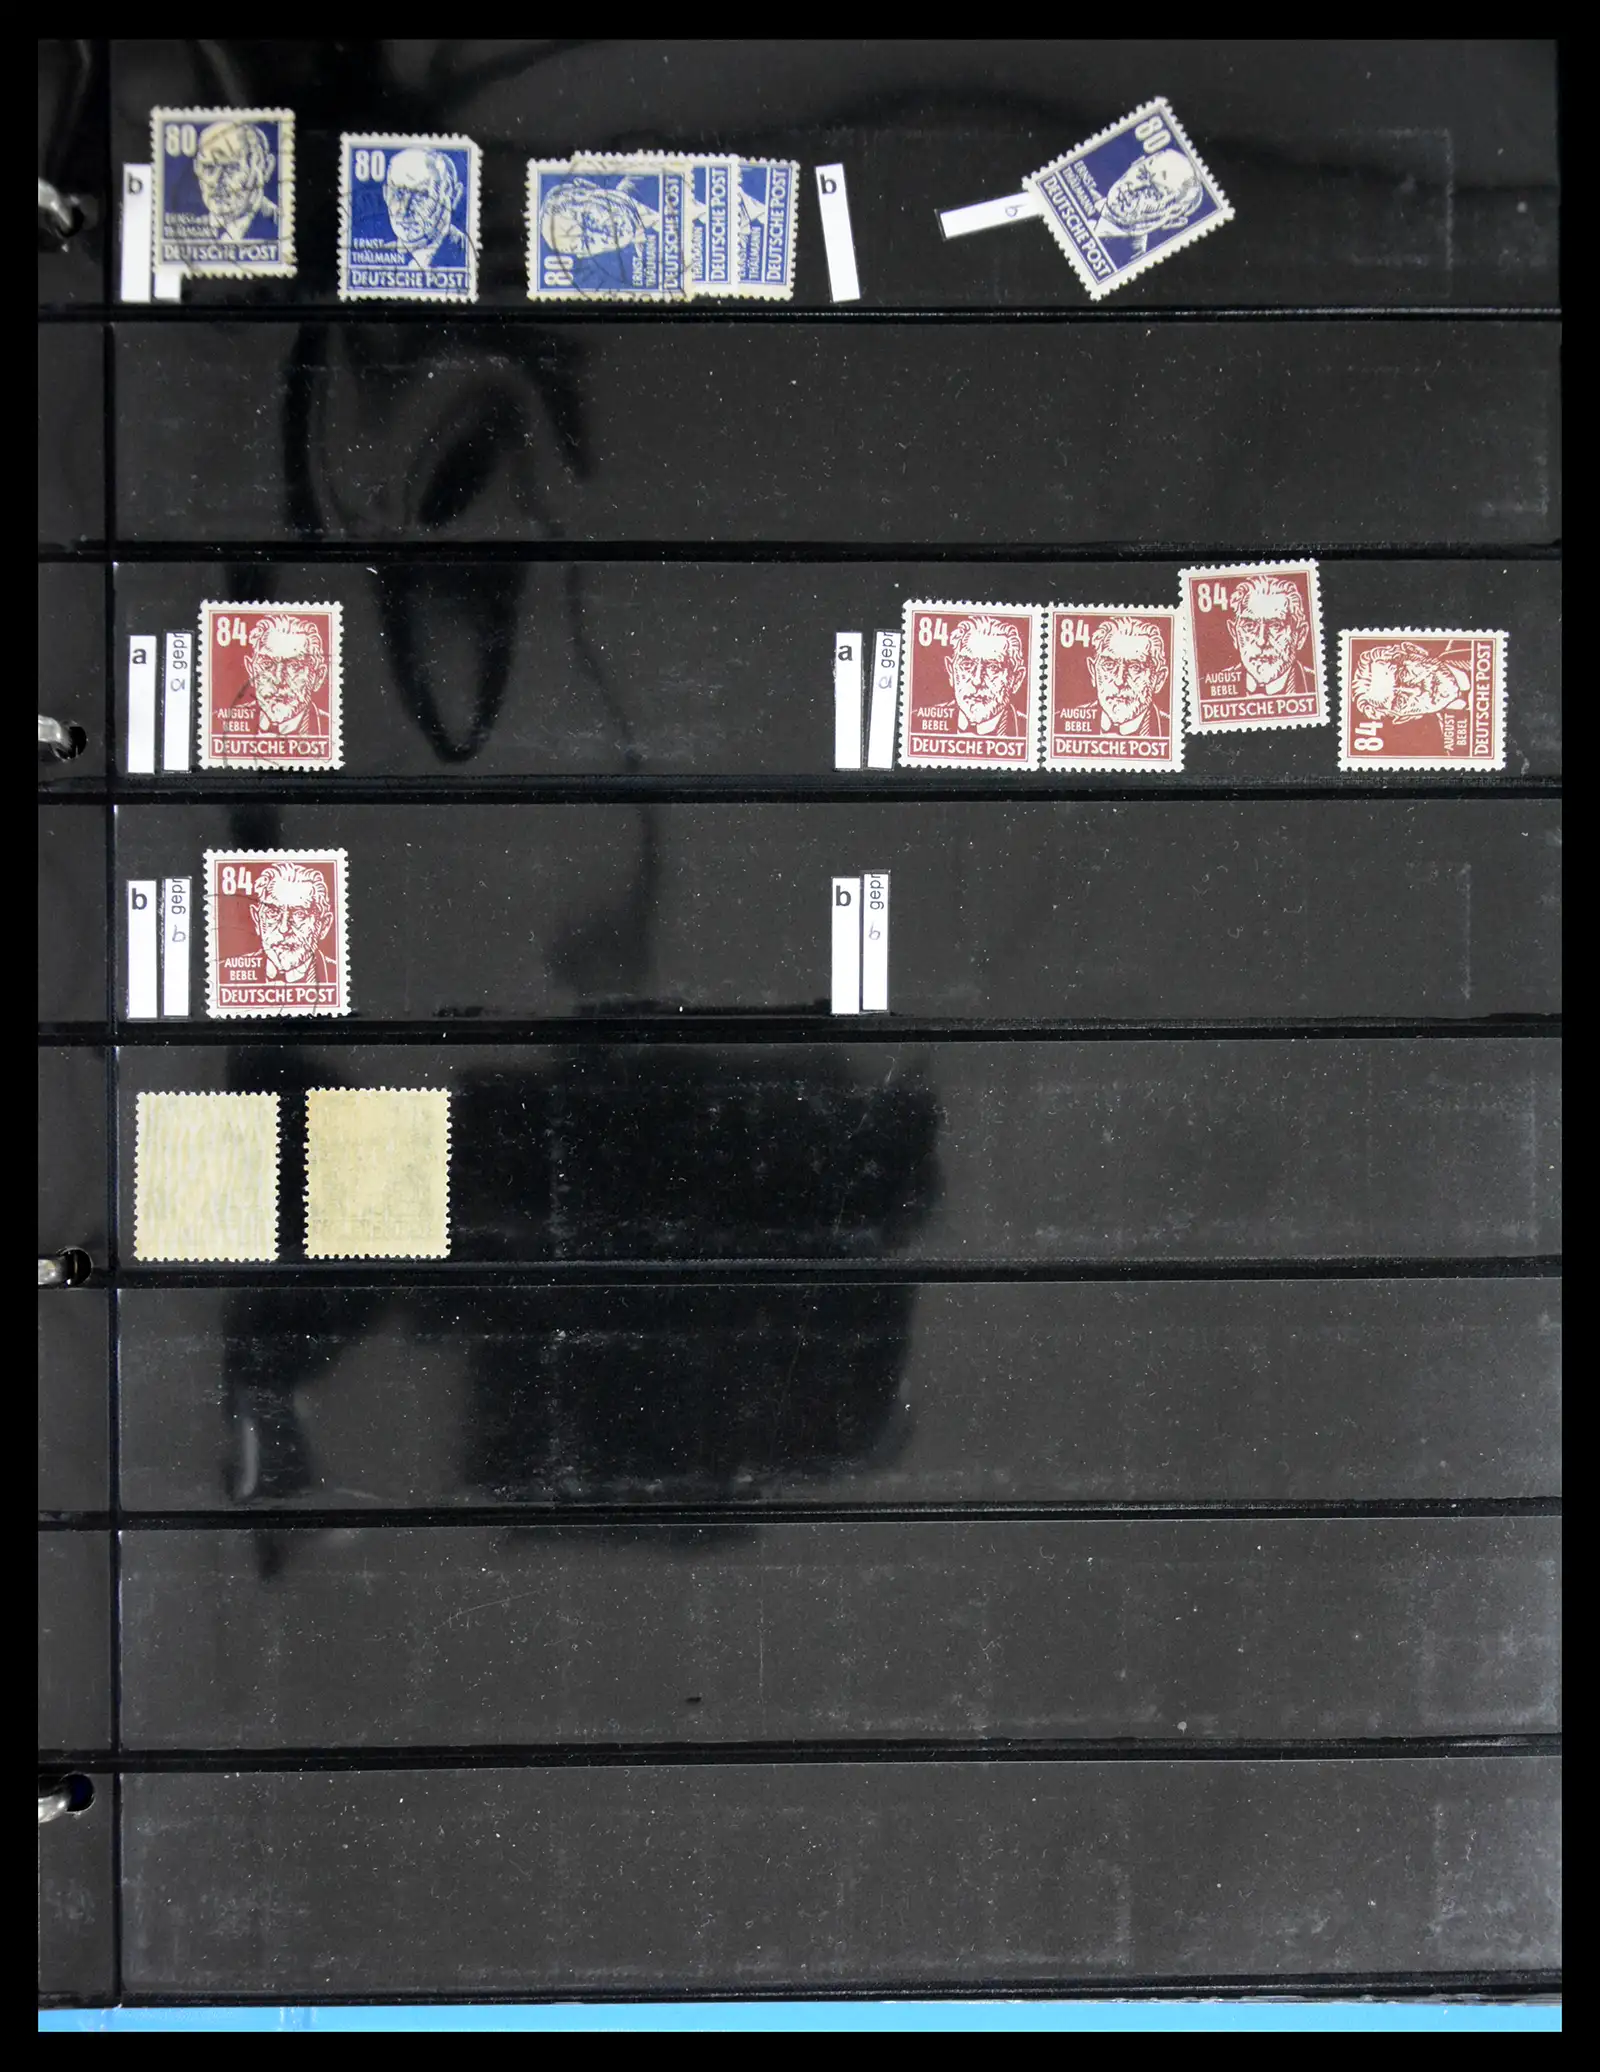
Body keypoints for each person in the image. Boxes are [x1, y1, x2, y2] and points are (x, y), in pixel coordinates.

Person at [1207, 574, 1317, 704]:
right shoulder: (1207, 689)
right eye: (1249, 626)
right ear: (1234, 634)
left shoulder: (1317, 684)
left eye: (1276, 626)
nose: (1261, 641)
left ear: (1300, 635)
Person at [1351, 640, 1471, 753]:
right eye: (1400, 701)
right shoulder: (1456, 750)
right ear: (1406, 717)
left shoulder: (1467, 644)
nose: (1416, 690)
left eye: (1403, 674)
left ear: (1415, 651)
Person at [1060, 615, 1169, 736]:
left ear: (1158, 679)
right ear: (1093, 671)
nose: (1119, 680)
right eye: (1109, 665)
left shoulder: (1171, 729)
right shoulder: (1059, 724)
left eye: (1135, 667)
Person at [226, 615, 330, 741]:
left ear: (318, 677)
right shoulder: (220, 721)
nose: (278, 680)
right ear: (252, 671)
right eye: (267, 664)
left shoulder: (330, 727)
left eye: (295, 666)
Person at [930, 615, 1030, 737]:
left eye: (993, 667)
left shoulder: (1029, 729)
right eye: (967, 665)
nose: (977, 681)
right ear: (951, 671)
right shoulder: (917, 721)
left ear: (1016, 680)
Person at [247, 861, 337, 987]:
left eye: (299, 914)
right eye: (273, 912)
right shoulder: (224, 970)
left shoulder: (337, 974)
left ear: (323, 926)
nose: (283, 928)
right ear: (257, 919)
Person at [381, 147, 469, 270]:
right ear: (386, 194)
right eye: (398, 193)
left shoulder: (466, 253)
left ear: (450, 193)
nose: (404, 209)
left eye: (420, 195)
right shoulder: (380, 254)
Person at [193, 120, 278, 243]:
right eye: (208, 167)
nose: (215, 181)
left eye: (231, 167)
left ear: (265, 168)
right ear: (196, 167)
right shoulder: (187, 224)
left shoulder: (278, 224)